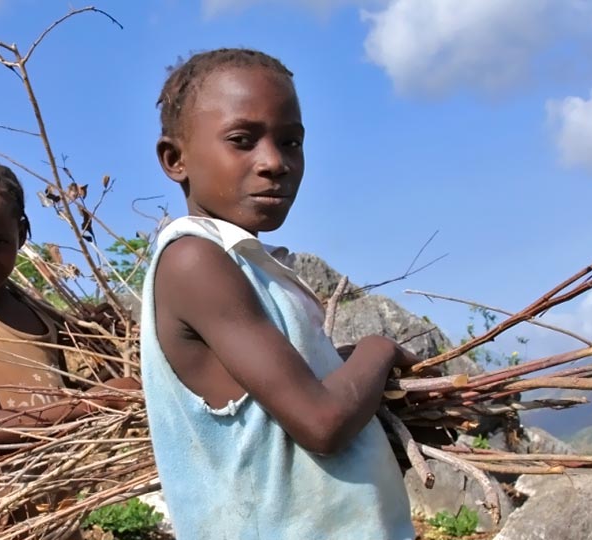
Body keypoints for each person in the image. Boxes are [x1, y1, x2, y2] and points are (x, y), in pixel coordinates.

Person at [140, 48, 417, 539]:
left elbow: (294, 391)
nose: (274, 163)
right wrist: (380, 348)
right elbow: (322, 422)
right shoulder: (194, 261)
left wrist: (347, 363)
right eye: (242, 140)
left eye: (290, 142)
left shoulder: (246, 263)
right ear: (175, 159)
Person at [0, 157, 138, 538]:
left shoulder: (38, 312)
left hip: (53, 512)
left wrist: (111, 350)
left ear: (22, 233)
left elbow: (59, 394)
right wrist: (100, 401)